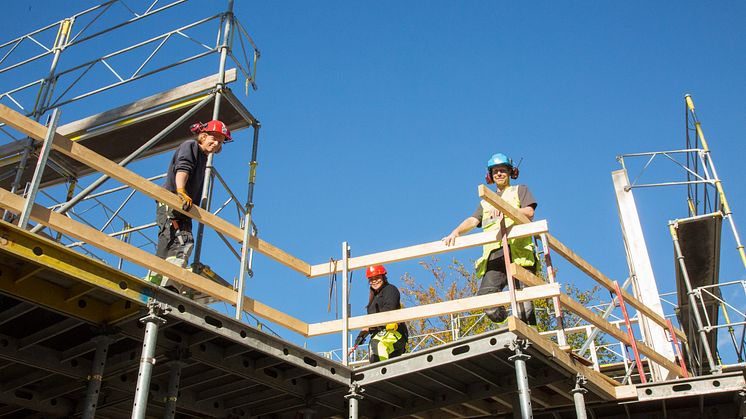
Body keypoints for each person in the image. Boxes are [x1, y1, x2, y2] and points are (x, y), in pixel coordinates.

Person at [442, 152, 538, 325]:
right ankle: (510, 327)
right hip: (496, 255)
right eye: (495, 172)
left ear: (510, 173)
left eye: (502, 170)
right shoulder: (486, 202)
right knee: (487, 301)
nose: (499, 174)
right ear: (490, 176)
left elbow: (529, 212)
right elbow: (473, 220)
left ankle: (531, 336)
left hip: (519, 252)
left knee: (524, 303)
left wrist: (506, 209)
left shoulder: (519, 190)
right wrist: (455, 232)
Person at [147, 120, 230, 293]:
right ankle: (168, 283)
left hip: (183, 206)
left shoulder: (203, 157)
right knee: (181, 241)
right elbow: (182, 168)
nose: (216, 144)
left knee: (170, 241)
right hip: (174, 201)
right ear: (203, 136)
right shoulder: (191, 146)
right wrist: (181, 191)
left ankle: (158, 279)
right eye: (214, 139)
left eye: (220, 142)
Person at [351, 265, 409, 363]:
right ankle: (383, 372)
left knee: (377, 344)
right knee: (374, 352)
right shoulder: (373, 300)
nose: (374, 281)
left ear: (383, 277)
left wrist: (370, 326)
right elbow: (370, 323)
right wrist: (361, 336)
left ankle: (382, 371)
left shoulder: (390, 290)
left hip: (394, 333)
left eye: (377, 278)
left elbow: (389, 309)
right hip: (380, 335)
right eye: (371, 279)